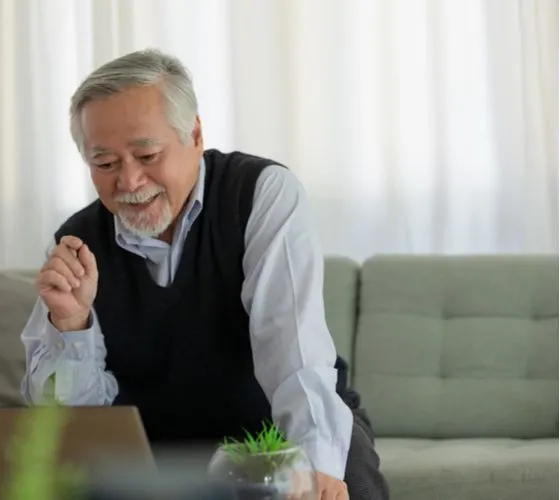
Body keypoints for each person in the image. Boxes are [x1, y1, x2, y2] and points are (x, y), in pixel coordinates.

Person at [20, 48, 389, 500]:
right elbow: (72, 431)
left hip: (271, 439)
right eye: (106, 164)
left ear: (194, 134)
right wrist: (71, 326)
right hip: (156, 452)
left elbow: (294, 354)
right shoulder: (76, 243)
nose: (130, 182)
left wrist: (313, 472)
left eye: (147, 154)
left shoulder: (260, 195)